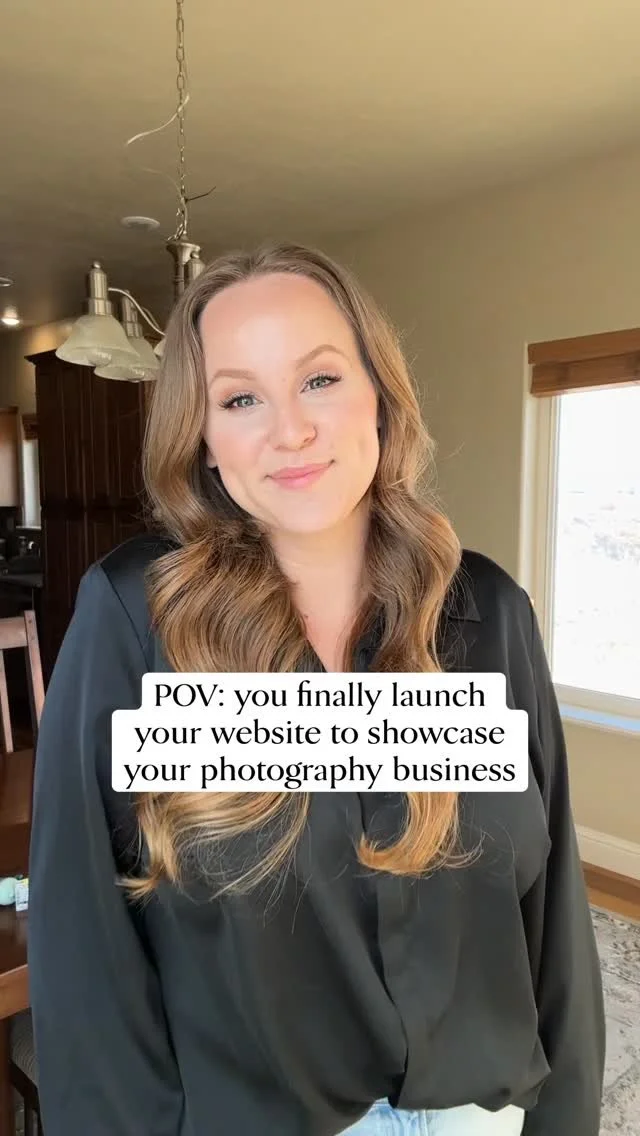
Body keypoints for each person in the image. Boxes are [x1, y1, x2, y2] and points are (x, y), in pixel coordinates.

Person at [28, 242, 605, 1136]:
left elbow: (551, 910)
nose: (289, 430)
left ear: (380, 393)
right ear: (204, 436)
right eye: (241, 398)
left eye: (321, 380)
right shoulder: (140, 619)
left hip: (481, 1113)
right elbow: (84, 938)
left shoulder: (487, 613)